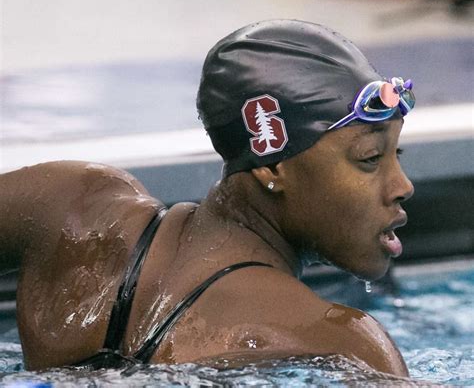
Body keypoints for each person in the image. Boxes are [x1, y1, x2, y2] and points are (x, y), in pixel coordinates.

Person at [0, 19, 415, 375]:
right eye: (370, 158)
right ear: (271, 167)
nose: (403, 185)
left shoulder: (66, 205)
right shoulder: (344, 343)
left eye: (395, 154)